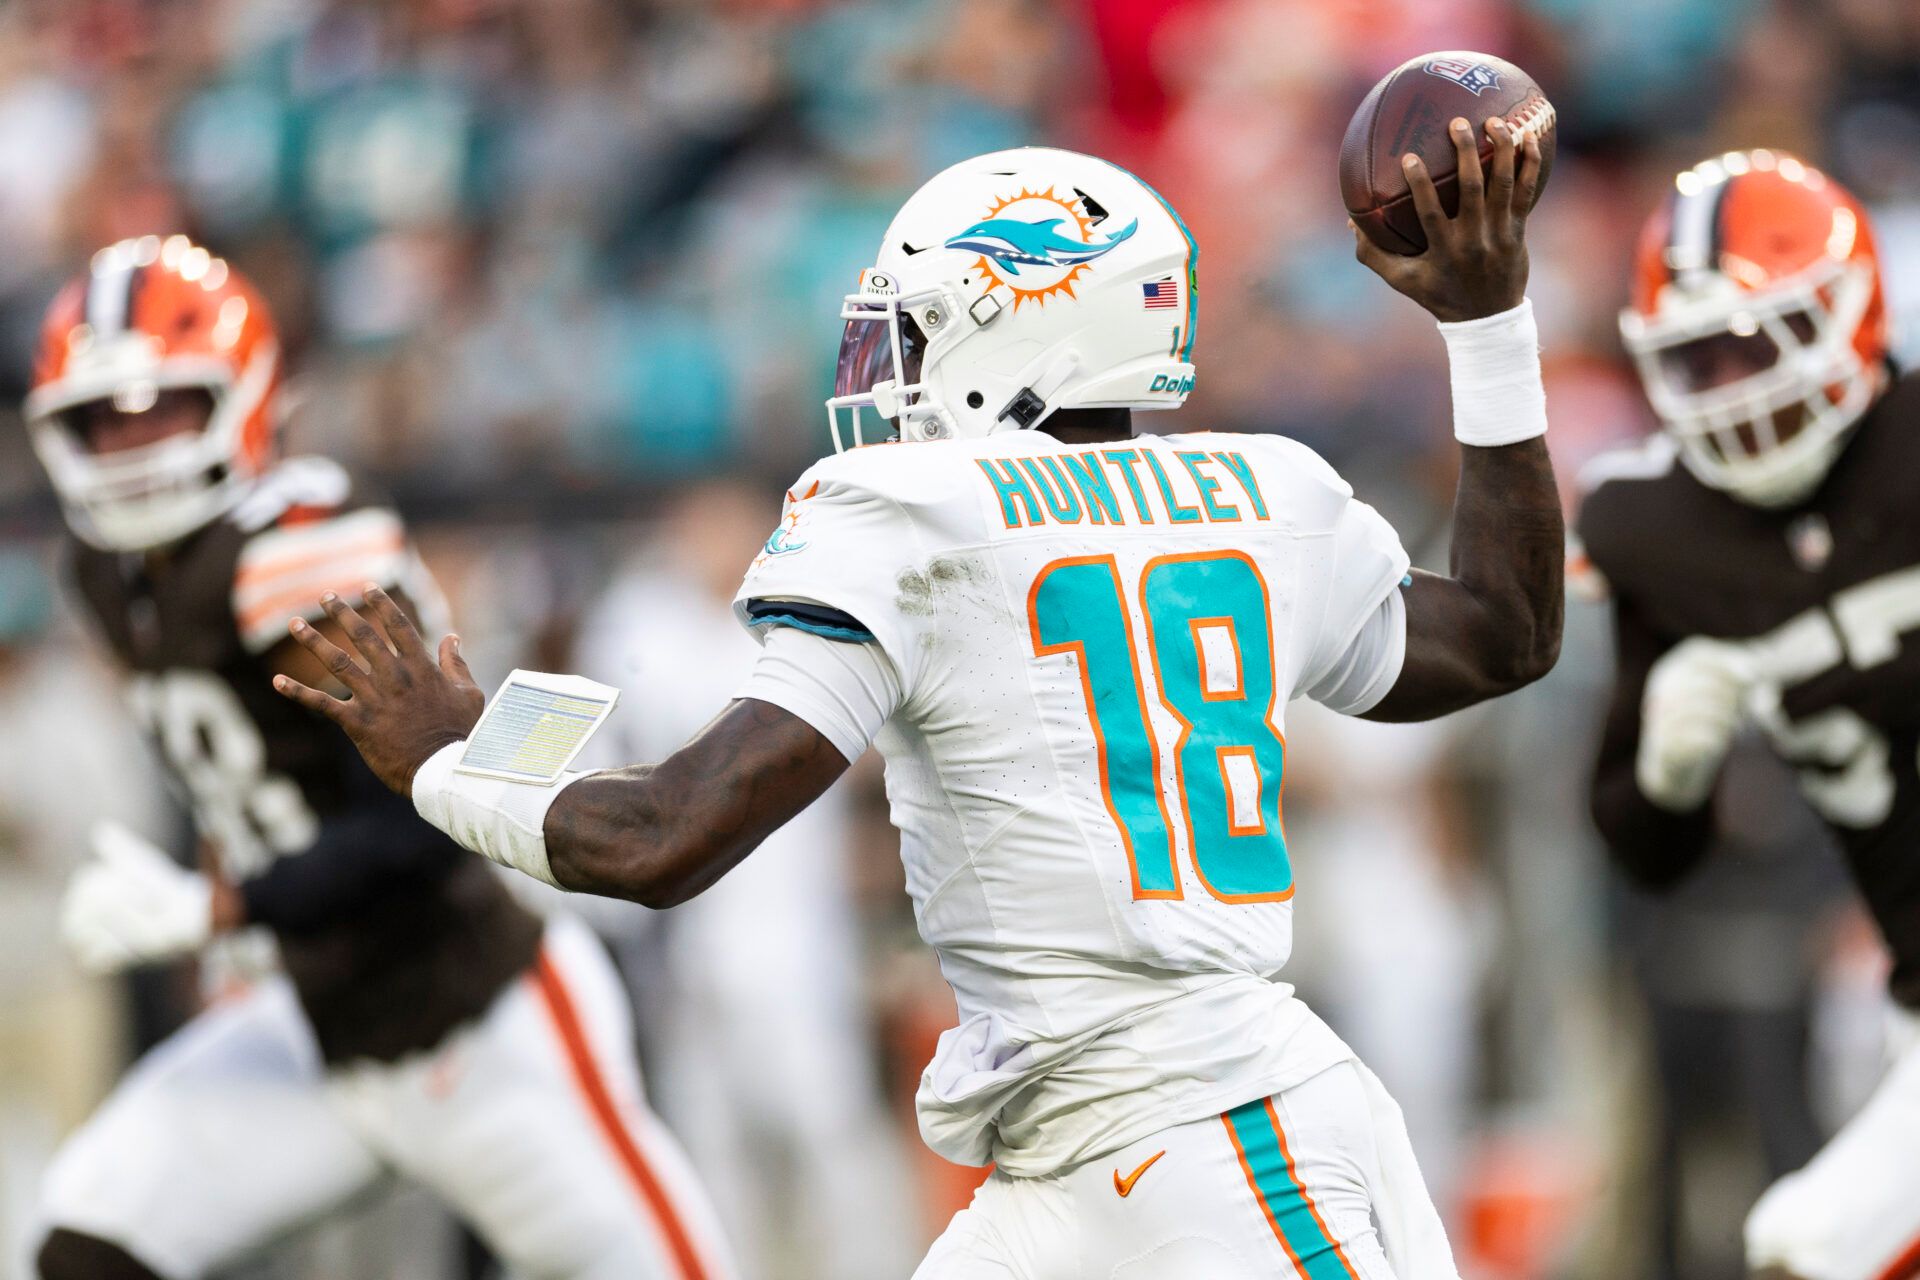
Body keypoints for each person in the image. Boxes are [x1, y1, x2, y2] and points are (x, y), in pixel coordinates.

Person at [281, 126, 1557, 1280]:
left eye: (921, 332)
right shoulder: (1262, 494)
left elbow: (668, 834)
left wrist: (452, 760)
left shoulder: (917, 519)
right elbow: (1506, 632)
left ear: (1031, 336)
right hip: (1079, 1151)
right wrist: (1488, 326)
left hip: (1213, 1127)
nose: (888, 371)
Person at [24, 236, 736, 1280]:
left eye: (162, 405)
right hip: (313, 1025)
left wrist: (223, 909)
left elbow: (423, 821)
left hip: (474, 1019)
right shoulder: (103, 572)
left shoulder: (302, 544)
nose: (133, 443)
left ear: (241, 393)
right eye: (102, 417)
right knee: (88, 1236)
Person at [1575, 149, 1920, 1280]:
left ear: (1847, 313)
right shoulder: (1658, 533)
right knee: (1799, 1247)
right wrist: (1674, 767)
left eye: (1753, 344)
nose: (1731, 386)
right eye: (1696, 359)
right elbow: (1641, 847)